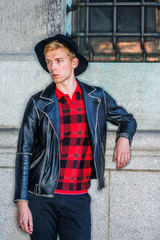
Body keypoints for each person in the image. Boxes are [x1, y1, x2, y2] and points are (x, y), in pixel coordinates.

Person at [14, 34, 137, 240]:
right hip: (41, 197)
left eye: (59, 61)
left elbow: (127, 119)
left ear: (74, 62)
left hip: (77, 196)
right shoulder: (38, 103)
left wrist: (124, 138)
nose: (53, 67)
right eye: (49, 62)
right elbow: (24, 152)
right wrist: (22, 202)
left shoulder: (95, 98)